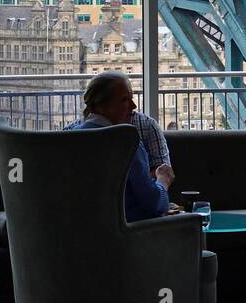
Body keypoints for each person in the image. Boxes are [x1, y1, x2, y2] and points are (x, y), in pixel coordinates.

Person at [66, 71, 171, 222]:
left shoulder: (68, 139)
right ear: (100, 105)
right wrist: (163, 181)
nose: (133, 106)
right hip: (128, 237)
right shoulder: (128, 143)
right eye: (125, 100)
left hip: (79, 236)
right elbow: (154, 204)